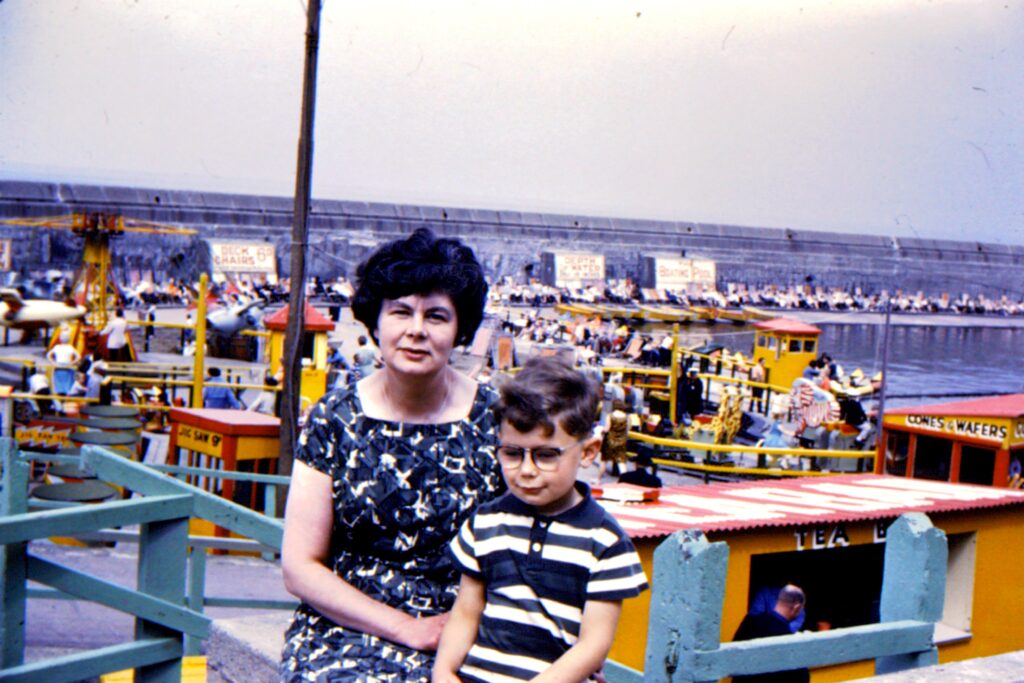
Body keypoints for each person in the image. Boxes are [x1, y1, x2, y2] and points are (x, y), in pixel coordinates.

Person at [280, 228, 504, 682]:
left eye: (436, 316)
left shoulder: (496, 419)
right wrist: (408, 629)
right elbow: (300, 566)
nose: (416, 330)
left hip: (468, 625)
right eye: (401, 312)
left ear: (460, 329)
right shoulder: (335, 418)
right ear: (375, 323)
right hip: (351, 626)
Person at [432, 357, 648, 683]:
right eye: (512, 453)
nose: (527, 470)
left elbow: (594, 645)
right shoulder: (486, 523)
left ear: (588, 452)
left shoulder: (604, 541)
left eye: (546, 455)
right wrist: (444, 670)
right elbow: (465, 613)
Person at [732, 584, 810, 683]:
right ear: (797, 607)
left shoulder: (750, 621)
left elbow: (732, 656)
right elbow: (801, 678)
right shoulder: (788, 640)